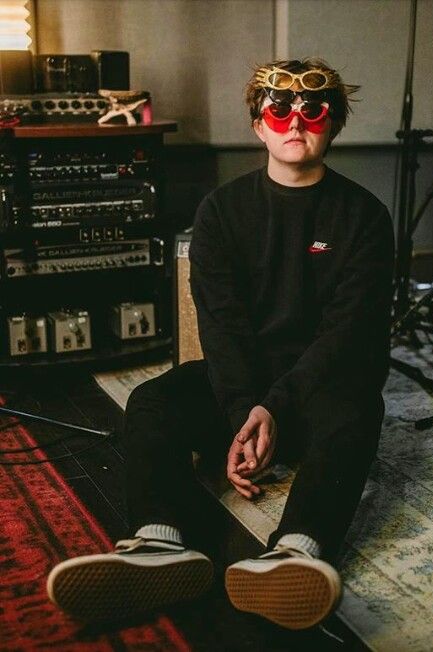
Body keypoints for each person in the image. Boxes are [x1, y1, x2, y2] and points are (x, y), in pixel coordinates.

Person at [46, 58, 394, 631]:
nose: (295, 122)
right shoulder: (221, 212)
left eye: (313, 110)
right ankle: (159, 545)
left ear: (334, 124)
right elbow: (221, 326)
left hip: (318, 386)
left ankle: (295, 553)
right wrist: (242, 412)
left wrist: (273, 408)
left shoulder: (364, 216)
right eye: (278, 110)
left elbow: (347, 335)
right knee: (152, 400)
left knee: (359, 408)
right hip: (243, 382)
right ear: (258, 125)